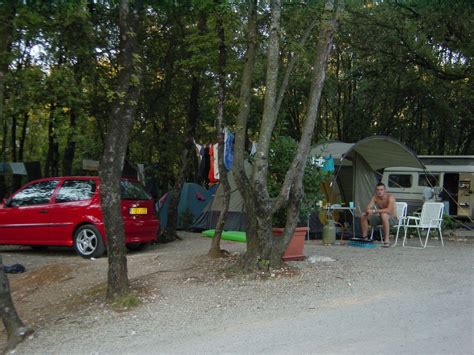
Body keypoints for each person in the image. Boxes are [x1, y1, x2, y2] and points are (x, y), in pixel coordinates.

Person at [360, 182, 398, 247]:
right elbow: (368, 208)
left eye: (381, 190)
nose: (379, 192)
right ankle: (365, 237)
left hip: (392, 219)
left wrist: (374, 211)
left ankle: (386, 240)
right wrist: (368, 210)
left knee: (384, 215)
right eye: (378, 190)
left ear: (385, 190)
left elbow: (389, 210)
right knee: (363, 215)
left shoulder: (390, 197)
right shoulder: (375, 197)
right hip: (380, 218)